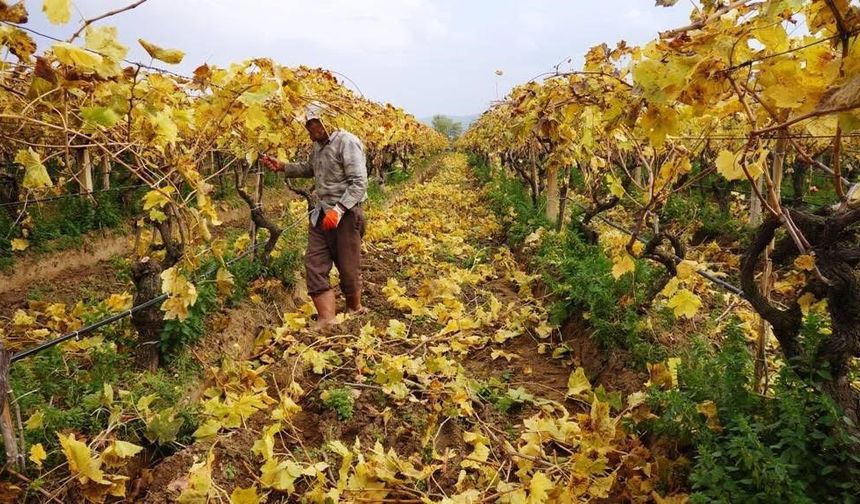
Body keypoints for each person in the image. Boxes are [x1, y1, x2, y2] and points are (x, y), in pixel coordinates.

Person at [260, 105, 368, 330]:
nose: (310, 128)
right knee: (314, 263)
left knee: (348, 266)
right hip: (321, 213)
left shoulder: (346, 142)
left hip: (346, 214)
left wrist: (338, 210)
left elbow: (359, 183)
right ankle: (326, 318)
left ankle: (354, 308)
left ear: (326, 120)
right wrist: (282, 167)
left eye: (314, 123)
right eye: (308, 124)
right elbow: (310, 169)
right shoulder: (318, 147)